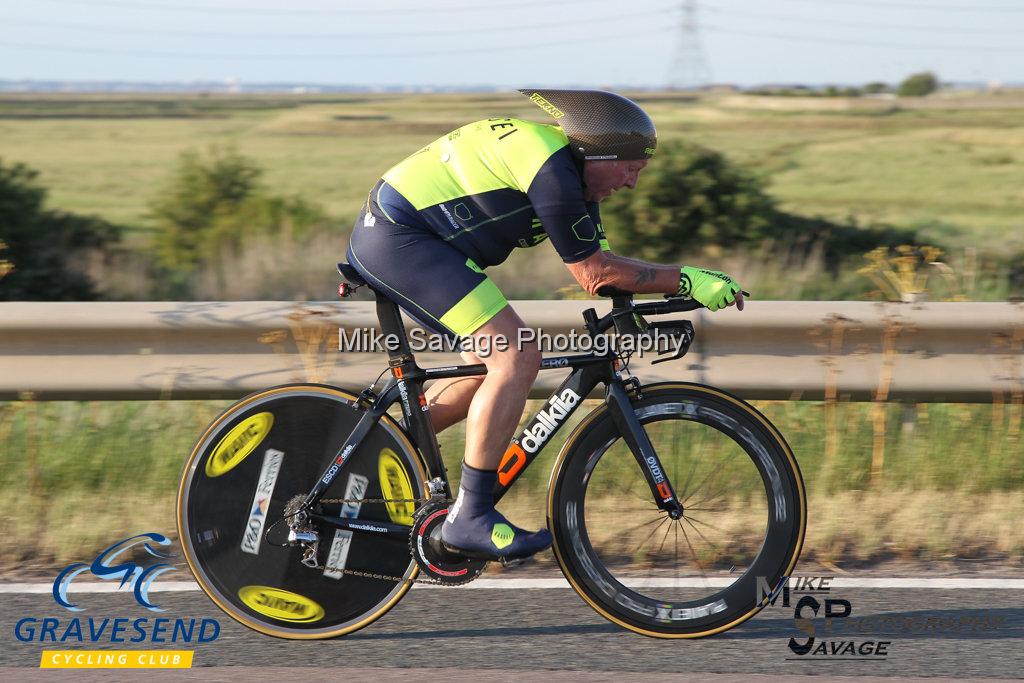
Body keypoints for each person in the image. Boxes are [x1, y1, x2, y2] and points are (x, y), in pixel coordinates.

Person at [346, 89, 744, 562]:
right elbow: (593, 272)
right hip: (402, 238)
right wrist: (688, 280)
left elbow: (604, 270)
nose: (633, 183)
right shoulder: (550, 168)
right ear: (600, 154)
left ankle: (369, 458)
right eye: (631, 168)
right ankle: (470, 516)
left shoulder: (571, 177)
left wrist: (629, 310)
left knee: (482, 375)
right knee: (515, 356)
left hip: (414, 240)